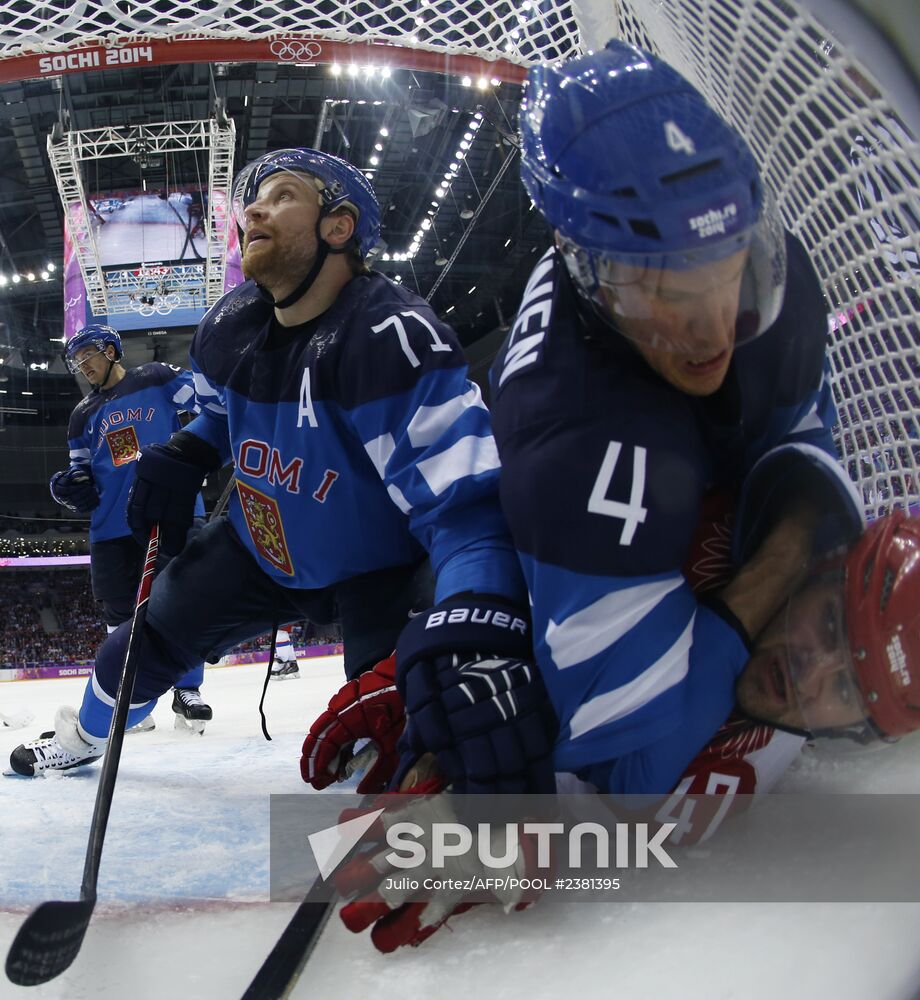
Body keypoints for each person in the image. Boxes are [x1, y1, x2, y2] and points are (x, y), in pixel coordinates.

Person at [10, 148, 537, 782]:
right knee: (133, 650)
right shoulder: (228, 327)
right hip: (260, 545)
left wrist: (475, 619)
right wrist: (189, 450)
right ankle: (86, 738)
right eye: (251, 199)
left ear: (338, 228)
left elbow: (467, 510)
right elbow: (223, 413)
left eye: (283, 194)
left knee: (411, 726)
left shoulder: (392, 337)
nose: (252, 208)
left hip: (383, 568)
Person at [43, 324, 213, 747]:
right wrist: (67, 486)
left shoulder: (156, 376)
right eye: (77, 362)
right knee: (119, 616)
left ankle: (187, 690)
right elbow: (80, 468)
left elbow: (210, 403)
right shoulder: (82, 413)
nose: (83, 366)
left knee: (184, 601)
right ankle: (129, 696)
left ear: (111, 350)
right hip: (109, 527)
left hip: (168, 512)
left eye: (88, 356)